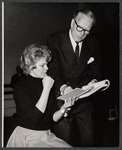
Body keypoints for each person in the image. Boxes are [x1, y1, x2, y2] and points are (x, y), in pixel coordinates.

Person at [47, 9, 101, 147]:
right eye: (79, 28)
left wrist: (93, 82)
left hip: (84, 98)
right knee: (65, 140)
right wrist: (64, 87)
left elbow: (95, 70)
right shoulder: (54, 40)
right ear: (72, 22)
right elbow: (53, 70)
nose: (82, 34)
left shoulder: (94, 43)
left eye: (87, 31)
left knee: (89, 138)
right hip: (63, 98)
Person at [6, 44, 75, 147]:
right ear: (30, 66)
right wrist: (46, 89)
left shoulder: (48, 83)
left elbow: (53, 118)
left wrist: (64, 108)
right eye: (42, 65)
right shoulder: (20, 87)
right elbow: (35, 116)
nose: (47, 68)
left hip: (47, 135)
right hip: (27, 137)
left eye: (47, 64)